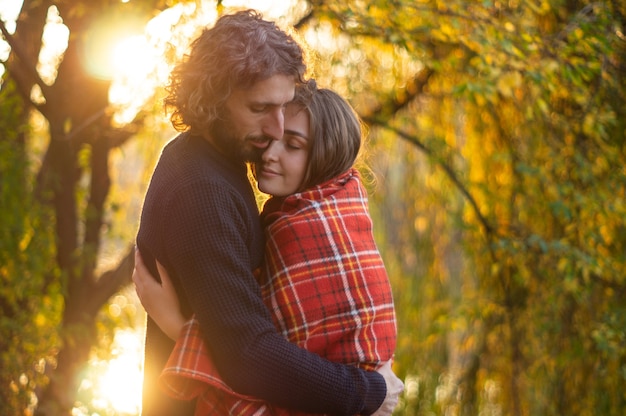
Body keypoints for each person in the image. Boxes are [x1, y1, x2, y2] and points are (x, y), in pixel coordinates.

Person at [135, 9, 402, 416]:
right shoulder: (201, 188)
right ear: (213, 99)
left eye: (284, 106)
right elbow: (246, 353)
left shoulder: (222, 160)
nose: (277, 128)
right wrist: (365, 392)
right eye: (261, 108)